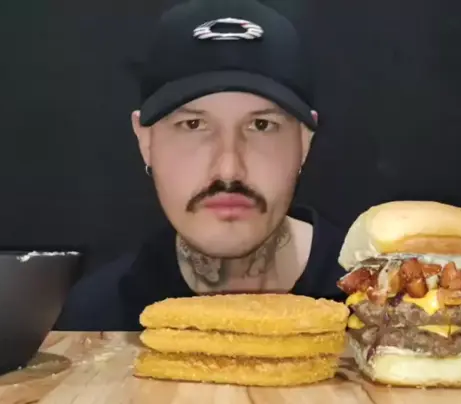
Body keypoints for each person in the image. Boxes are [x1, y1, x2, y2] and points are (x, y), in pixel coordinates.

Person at [55, 0, 348, 331]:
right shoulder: (95, 321)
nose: (228, 171)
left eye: (262, 125)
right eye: (193, 125)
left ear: (304, 142)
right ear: (145, 141)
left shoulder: (381, 305)